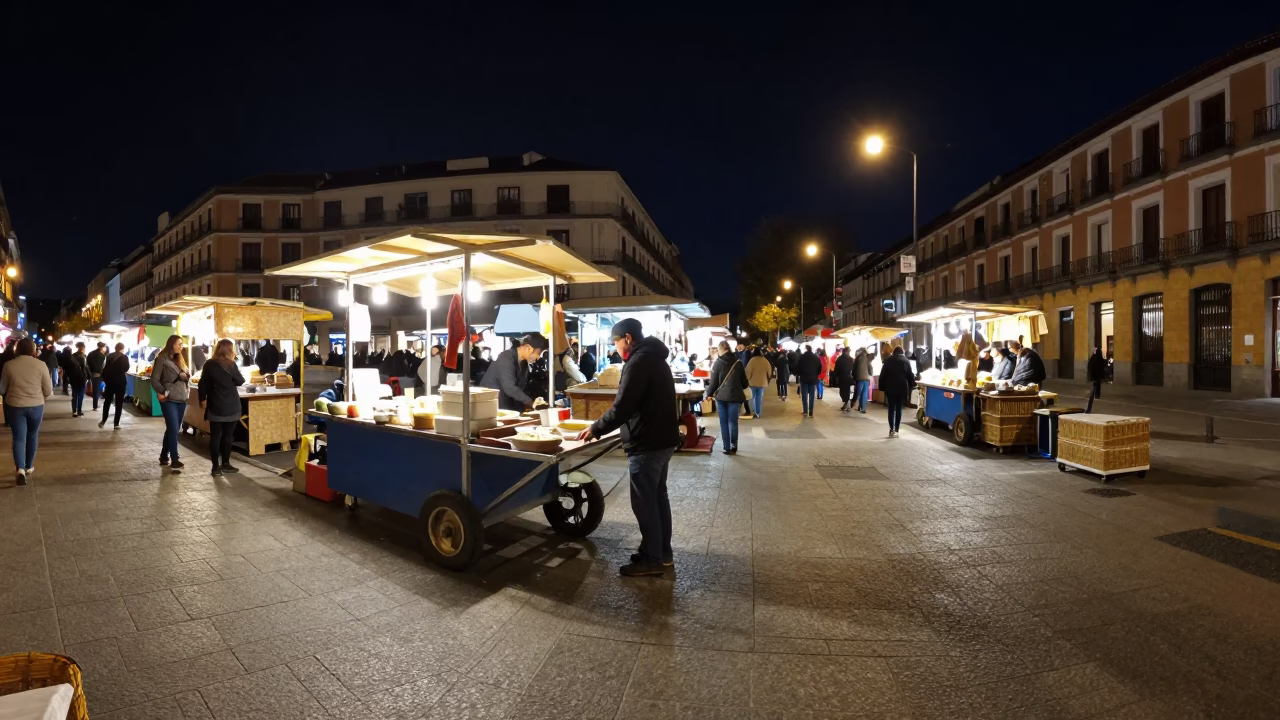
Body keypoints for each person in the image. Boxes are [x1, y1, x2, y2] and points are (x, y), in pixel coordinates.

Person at [575, 318, 680, 577]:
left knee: (645, 502)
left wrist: (596, 428)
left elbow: (623, 406)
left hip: (647, 441)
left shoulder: (639, 362)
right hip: (662, 438)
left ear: (628, 339)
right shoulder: (655, 357)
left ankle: (652, 559)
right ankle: (660, 553)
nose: (616, 347)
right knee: (657, 498)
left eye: (616, 341)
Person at [1, 339, 52, 485]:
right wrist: (39, 397)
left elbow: (2, 389)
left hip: (15, 406)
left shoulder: (8, 365)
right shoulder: (41, 365)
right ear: (33, 349)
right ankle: (29, 466)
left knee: (18, 438)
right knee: (32, 435)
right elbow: (48, 390)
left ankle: (20, 469)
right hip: (36, 405)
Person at [199, 339, 245, 476]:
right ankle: (226, 463)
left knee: (215, 437)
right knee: (227, 436)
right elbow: (240, 381)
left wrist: (202, 399)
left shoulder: (209, 364)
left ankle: (215, 467)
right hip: (231, 406)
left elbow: (203, 384)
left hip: (215, 406)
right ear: (230, 351)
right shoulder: (231, 365)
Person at [150, 335, 191, 470]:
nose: (181, 346)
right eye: (179, 343)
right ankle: (174, 458)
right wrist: (163, 391)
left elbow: (186, 377)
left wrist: (186, 377)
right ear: (172, 344)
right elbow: (154, 380)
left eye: (182, 344)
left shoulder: (181, 360)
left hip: (181, 398)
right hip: (169, 399)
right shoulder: (161, 359)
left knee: (173, 429)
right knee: (173, 429)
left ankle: (163, 455)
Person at [479, 333, 548, 411]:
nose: (538, 357)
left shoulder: (523, 363)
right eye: (538, 353)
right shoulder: (505, 358)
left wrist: (533, 401)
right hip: (490, 403)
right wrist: (530, 401)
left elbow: (519, 388)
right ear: (528, 348)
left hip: (504, 402)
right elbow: (509, 387)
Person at [706, 341, 749, 454]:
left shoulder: (718, 363)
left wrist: (708, 394)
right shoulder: (738, 363)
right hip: (735, 397)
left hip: (721, 397)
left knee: (724, 422)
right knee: (733, 421)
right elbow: (745, 383)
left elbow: (713, 383)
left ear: (720, 350)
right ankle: (734, 445)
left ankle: (726, 447)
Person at [879, 346, 915, 438]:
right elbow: (910, 376)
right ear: (902, 353)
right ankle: (897, 429)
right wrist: (912, 385)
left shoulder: (888, 361)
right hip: (902, 388)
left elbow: (882, 375)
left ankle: (892, 429)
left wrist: (881, 387)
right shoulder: (906, 361)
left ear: (894, 353)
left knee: (891, 409)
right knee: (899, 409)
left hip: (890, 388)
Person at [99, 342, 130, 429]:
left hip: (110, 382)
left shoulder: (109, 356)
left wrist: (105, 379)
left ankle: (103, 420)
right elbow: (126, 368)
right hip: (121, 382)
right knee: (119, 403)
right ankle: (116, 424)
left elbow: (104, 369)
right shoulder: (124, 357)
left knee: (107, 402)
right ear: (122, 349)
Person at [745, 347, 772, 419]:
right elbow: (769, 372)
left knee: (752, 397)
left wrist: (747, 379)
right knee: (759, 399)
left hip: (753, 383)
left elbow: (748, 372)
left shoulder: (752, 360)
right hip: (762, 383)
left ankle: (753, 410)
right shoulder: (765, 360)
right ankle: (758, 413)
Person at [796, 344, 822, 418]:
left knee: (804, 396)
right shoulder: (816, 357)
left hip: (804, 379)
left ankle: (805, 411)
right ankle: (811, 412)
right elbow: (819, 368)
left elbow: (798, 368)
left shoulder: (802, 357)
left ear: (806, 349)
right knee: (812, 396)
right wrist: (816, 374)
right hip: (813, 379)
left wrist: (800, 374)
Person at [67, 342, 90, 417]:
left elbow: (68, 369)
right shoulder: (84, 357)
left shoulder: (72, 356)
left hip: (74, 378)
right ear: (83, 348)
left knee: (75, 395)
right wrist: (89, 377)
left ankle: (74, 411)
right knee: (80, 395)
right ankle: (79, 410)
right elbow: (86, 368)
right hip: (81, 378)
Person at [87, 341, 107, 411]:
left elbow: (87, 363)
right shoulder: (102, 356)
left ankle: (95, 404)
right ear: (102, 347)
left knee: (96, 389)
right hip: (98, 374)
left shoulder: (91, 353)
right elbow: (103, 366)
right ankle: (95, 405)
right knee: (97, 390)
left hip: (92, 374)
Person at [833, 346, 854, 412]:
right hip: (848, 377)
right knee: (846, 390)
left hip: (841, 377)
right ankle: (846, 403)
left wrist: (836, 376)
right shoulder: (850, 359)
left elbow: (836, 368)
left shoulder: (839, 359)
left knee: (842, 391)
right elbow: (853, 368)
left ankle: (846, 403)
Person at [1086, 347, 1107, 413]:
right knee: (1098, 384)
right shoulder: (1100, 359)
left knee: (1095, 384)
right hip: (1099, 374)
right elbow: (1104, 364)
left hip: (1095, 374)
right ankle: (1097, 394)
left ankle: (1094, 393)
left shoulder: (1094, 357)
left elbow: (1090, 364)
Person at [853, 347, 872, 414]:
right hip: (866, 379)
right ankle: (863, 408)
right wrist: (870, 373)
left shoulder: (857, 358)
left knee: (858, 393)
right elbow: (870, 368)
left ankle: (857, 406)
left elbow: (854, 368)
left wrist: (854, 376)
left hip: (859, 378)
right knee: (864, 393)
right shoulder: (867, 358)